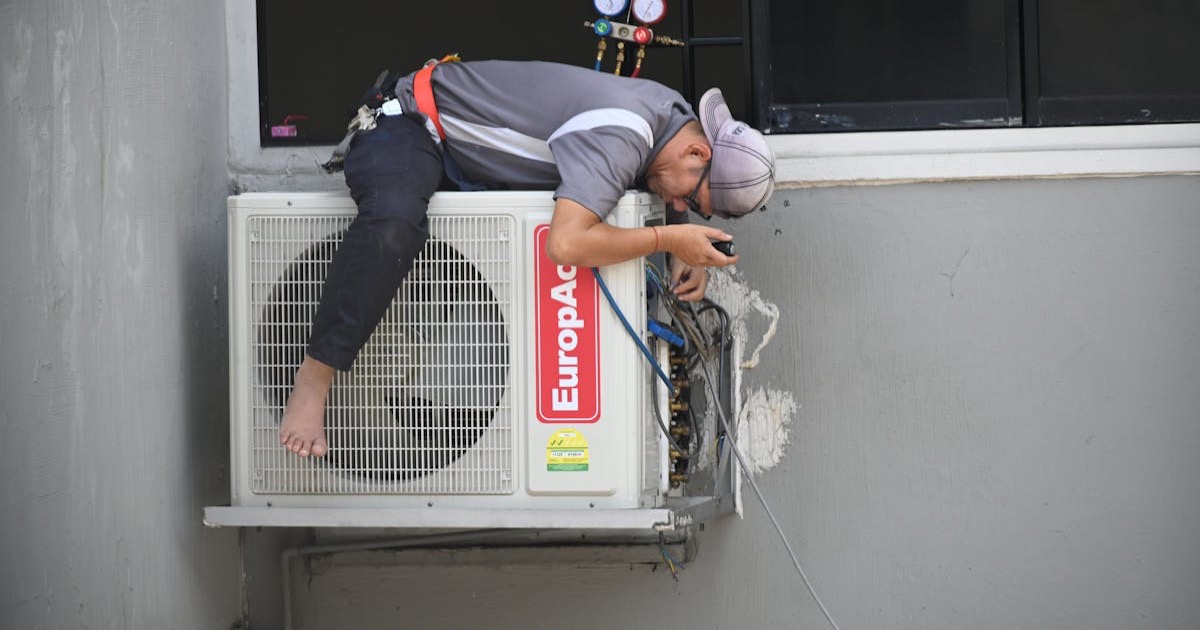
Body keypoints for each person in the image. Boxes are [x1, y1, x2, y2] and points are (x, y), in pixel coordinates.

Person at [281, 59, 776, 458]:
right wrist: (668, 240)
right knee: (393, 224)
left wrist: (679, 227)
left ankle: (425, 414)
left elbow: (666, 179)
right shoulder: (624, 134)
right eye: (693, 197)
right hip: (409, 123)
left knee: (468, 274)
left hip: (465, 162)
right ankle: (314, 378)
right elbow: (565, 245)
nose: (682, 205)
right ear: (696, 151)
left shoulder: (672, 114)